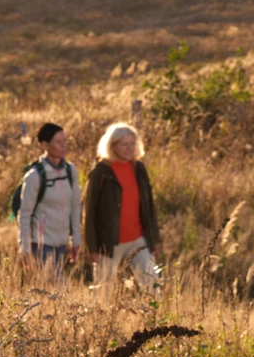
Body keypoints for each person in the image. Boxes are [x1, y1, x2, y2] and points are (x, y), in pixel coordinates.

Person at [83, 122, 161, 294]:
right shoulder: (100, 173)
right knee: (103, 291)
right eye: (124, 144)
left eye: (132, 143)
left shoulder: (139, 169)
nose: (129, 148)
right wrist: (93, 248)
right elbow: (89, 213)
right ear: (112, 146)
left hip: (138, 239)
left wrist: (154, 239)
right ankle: (100, 321)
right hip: (109, 243)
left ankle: (154, 320)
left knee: (153, 285)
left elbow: (149, 206)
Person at [16, 123, 82, 273]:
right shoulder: (34, 176)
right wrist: (25, 249)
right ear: (45, 145)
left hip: (62, 244)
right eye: (58, 142)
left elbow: (75, 206)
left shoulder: (70, 171)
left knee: (49, 291)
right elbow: (25, 214)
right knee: (58, 289)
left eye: (65, 141)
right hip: (40, 246)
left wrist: (76, 240)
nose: (63, 146)